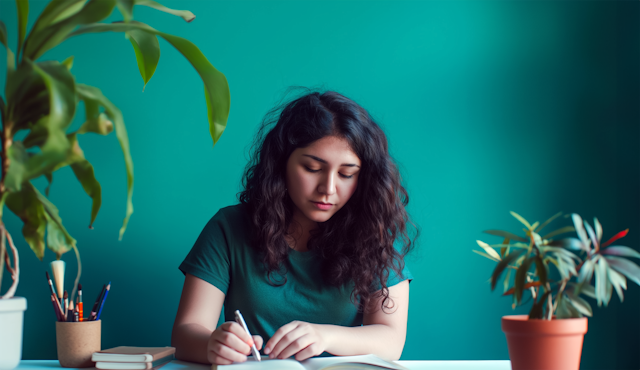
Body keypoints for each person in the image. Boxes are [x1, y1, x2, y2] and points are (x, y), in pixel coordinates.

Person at [171, 90, 418, 365]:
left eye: (347, 174)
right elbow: (185, 333)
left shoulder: (375, 233)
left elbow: (390, 340)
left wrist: (323, 337)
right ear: (282, 164)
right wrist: (212, 344)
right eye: (312, 168)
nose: (328, 189)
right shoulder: (228, 228)